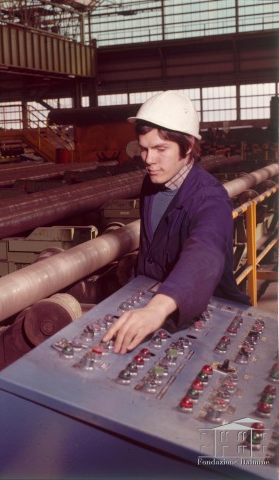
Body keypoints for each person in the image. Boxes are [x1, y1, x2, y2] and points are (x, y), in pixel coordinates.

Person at [103, 91, 250, 354]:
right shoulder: (151, 183)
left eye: (161, 149)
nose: (149, 159)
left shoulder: (210, 198)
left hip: (199, 305)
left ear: (189, 145)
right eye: (144, 148)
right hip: (154, 298)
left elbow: (205, 251)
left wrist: (157, 308)